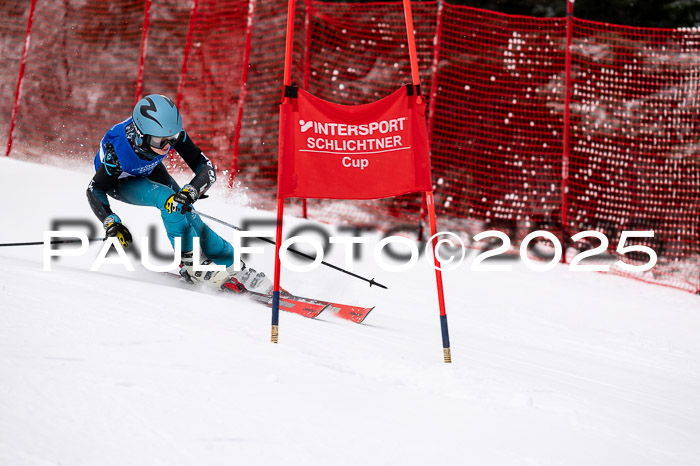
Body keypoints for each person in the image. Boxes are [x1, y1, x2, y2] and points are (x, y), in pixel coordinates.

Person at [86, 94, 272, 293]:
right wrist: (111, 222)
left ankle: (231, 263)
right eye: (160, 141)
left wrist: (191, 191)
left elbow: (206, 167)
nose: (167, 146)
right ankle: (191, 263)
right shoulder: (117, 151)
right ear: (140, 135)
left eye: (172, 139)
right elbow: (94, 189)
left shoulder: (168, 134)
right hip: (120, 181)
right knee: (169, 201)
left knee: (187, 211)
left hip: (148, 167)